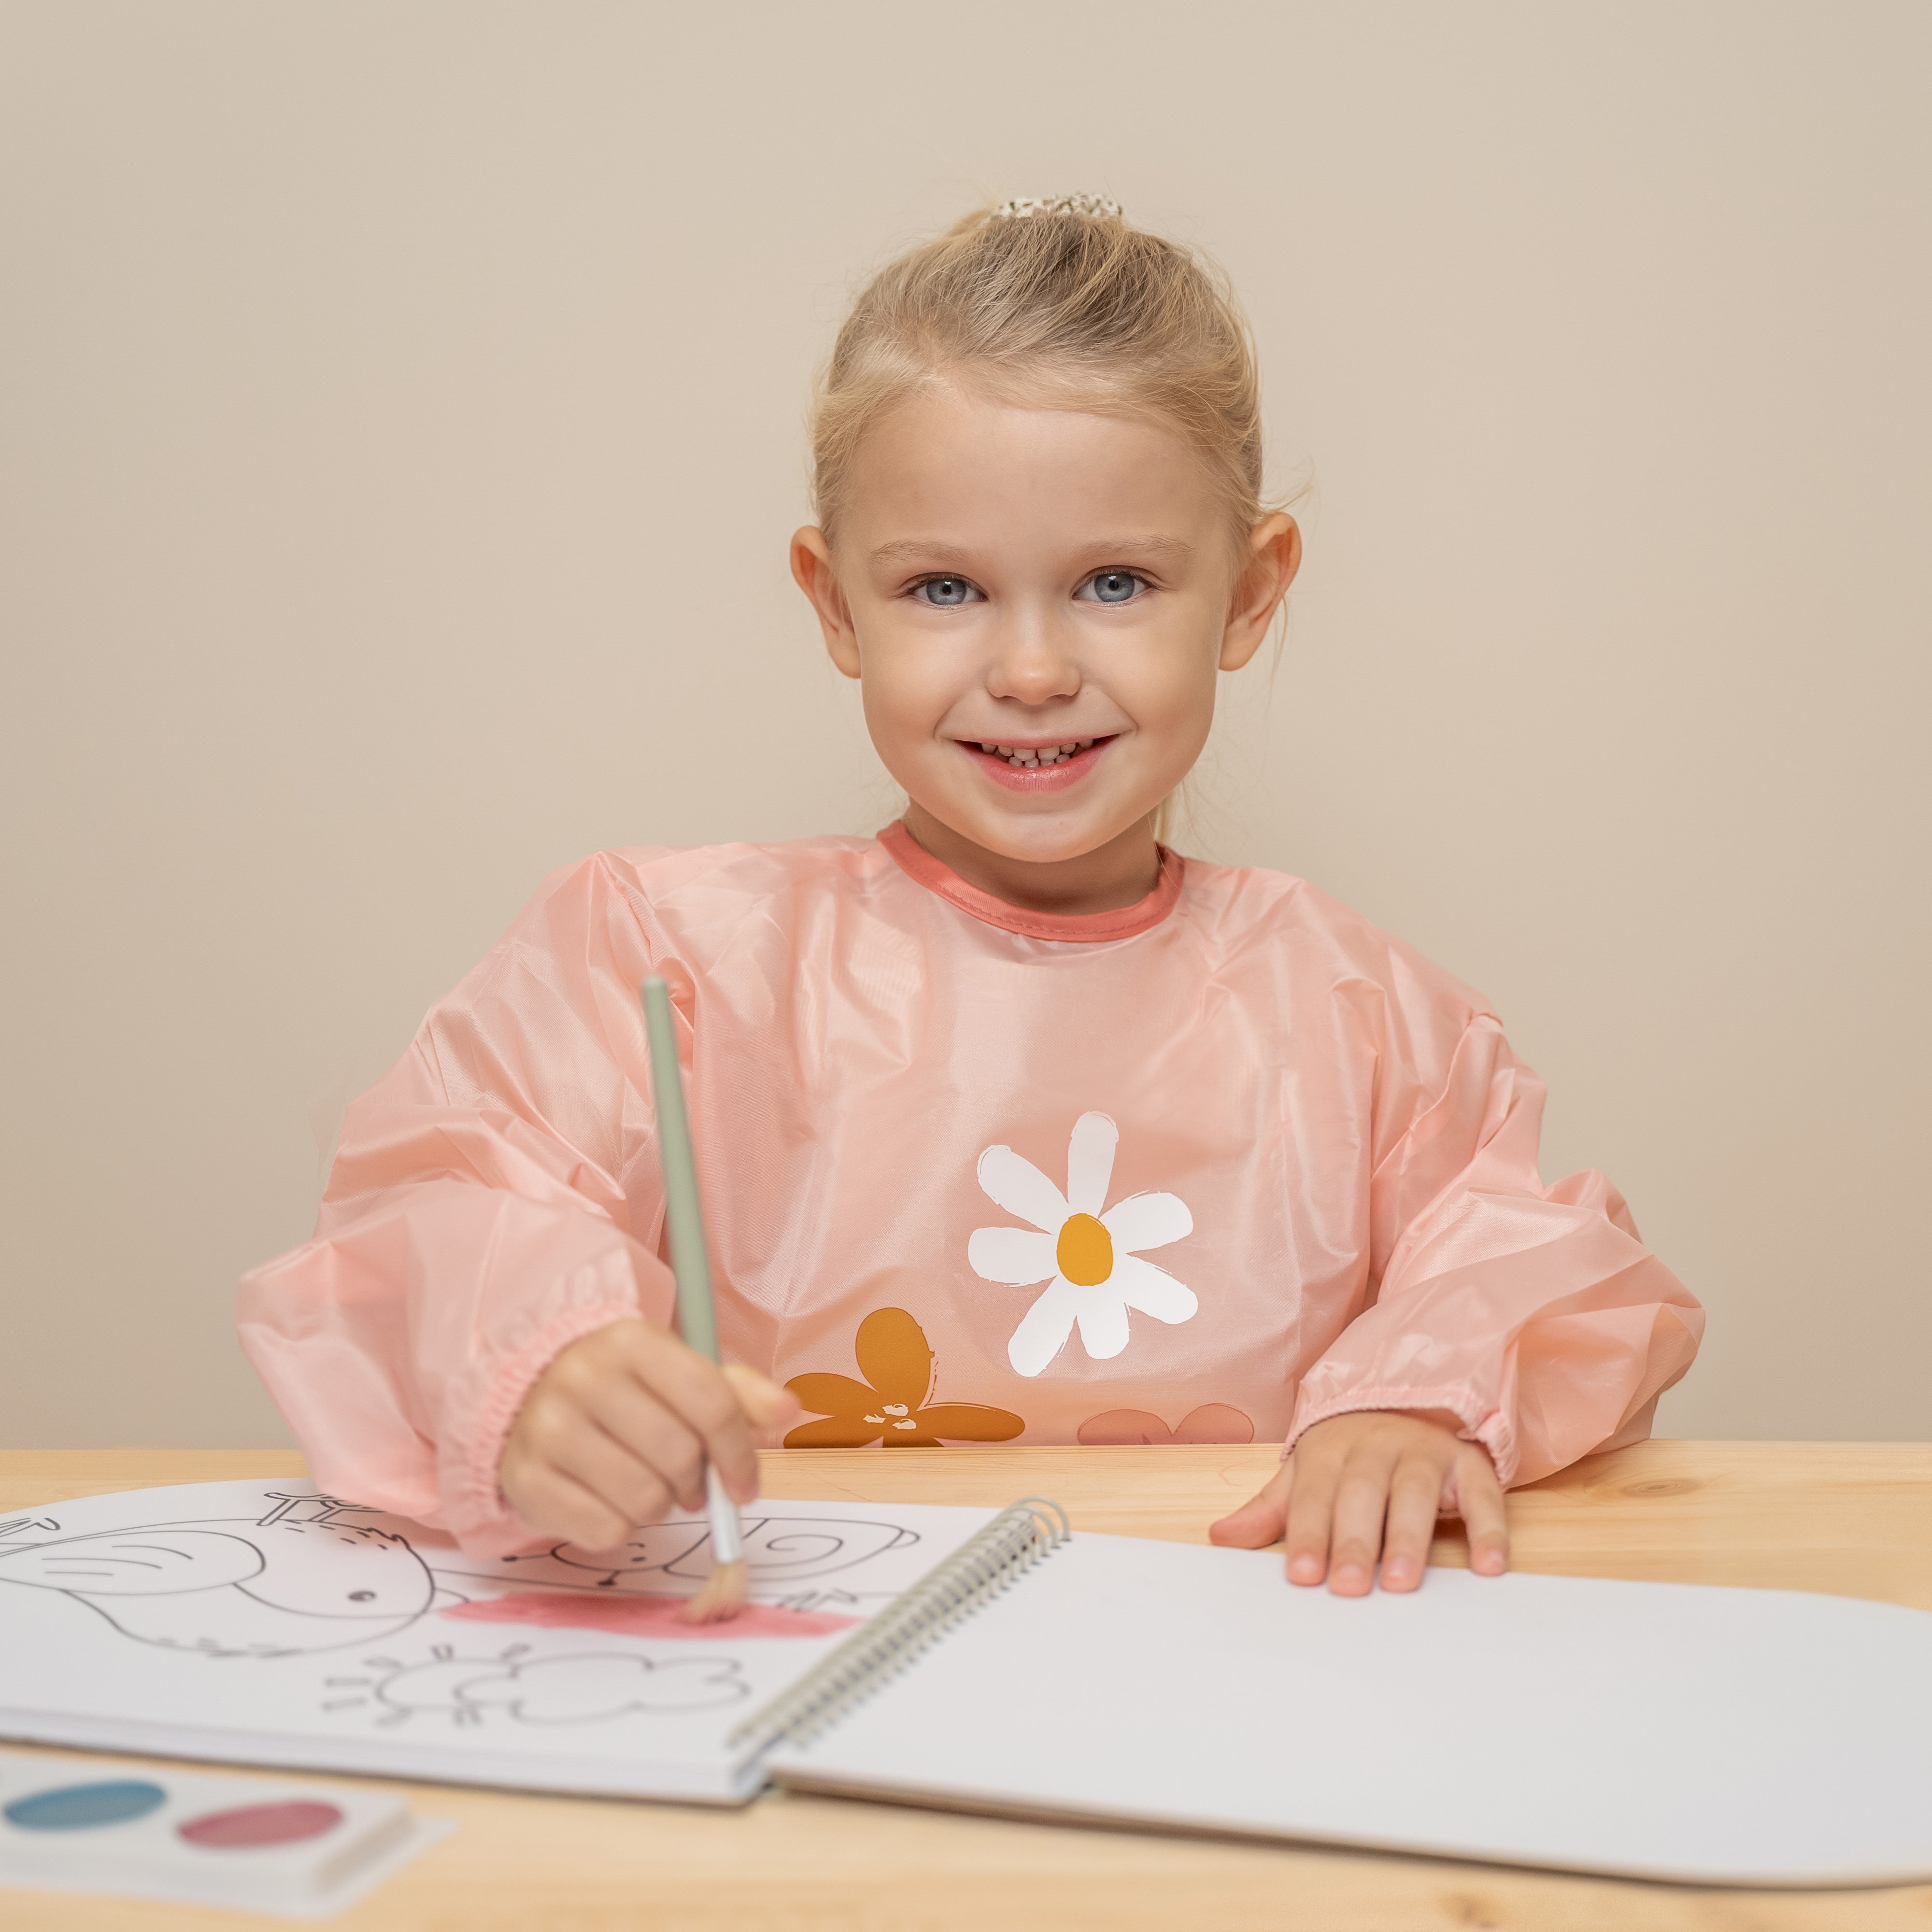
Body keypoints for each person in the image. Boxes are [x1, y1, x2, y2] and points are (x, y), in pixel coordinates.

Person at [240, 195, 1702, 1597]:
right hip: (789, 1688)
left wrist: (1416, 1407)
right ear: (834, 605)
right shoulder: (666, 959)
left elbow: (1543, 1266)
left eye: (1117, 582)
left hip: (1213, 1703)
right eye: (944, 590)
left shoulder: (1360, 1015)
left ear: (1251, 594)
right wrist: (539, 1367)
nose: (1031, 670)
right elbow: (440, 1201)